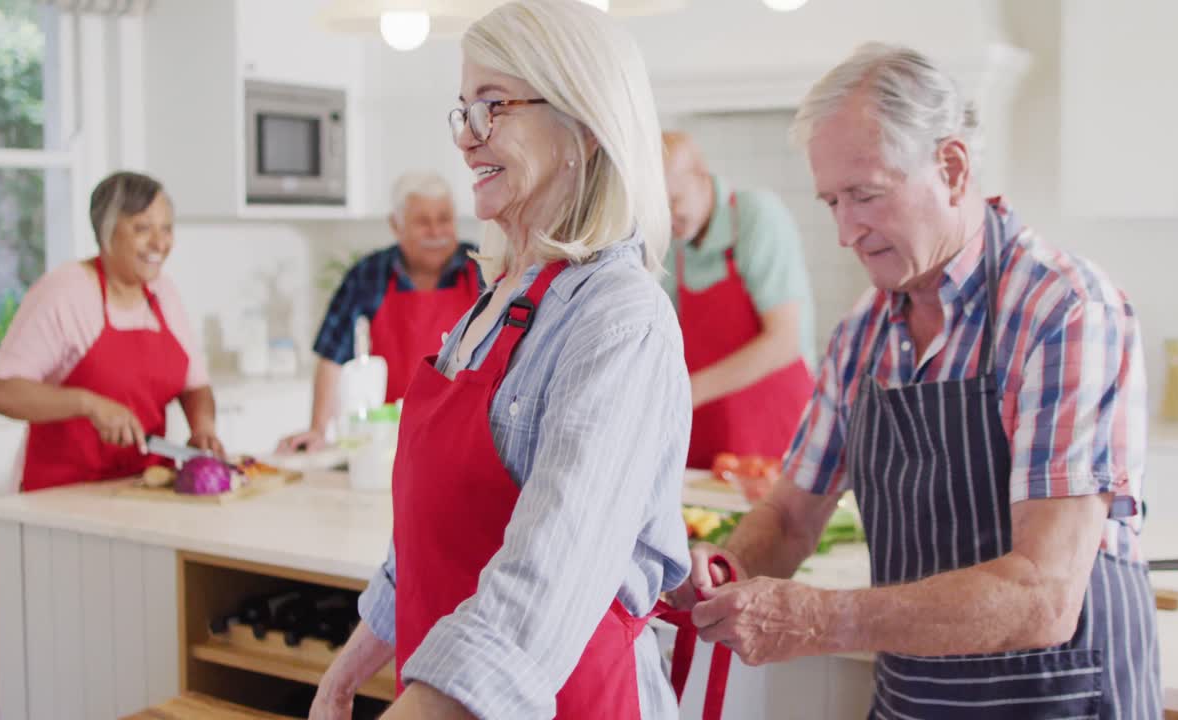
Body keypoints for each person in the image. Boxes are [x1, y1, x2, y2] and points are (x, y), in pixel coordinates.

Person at [675, 43, 1160, 718]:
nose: (845, 230)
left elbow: (1043, 596)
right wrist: (723, 571)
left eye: (865, 195)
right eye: (832, 201)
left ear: (952, 168)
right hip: (917, 701)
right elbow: (788, 517)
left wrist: (821, 618)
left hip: (1062, 700)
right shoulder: (861, 336)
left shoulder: (1064, 311)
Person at [309, 1, 700, 718]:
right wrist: (357, 657)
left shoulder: (621, 317)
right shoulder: (493, 303)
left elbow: (547, 576)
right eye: (463, 110)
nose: (467, 138)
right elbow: (431, 533)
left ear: (584, 125)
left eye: (494, 106)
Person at [0, 171, 224, 491]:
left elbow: (196, 385)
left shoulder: (163, 293)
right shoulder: (66, 291)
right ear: (107, 232)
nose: (160, 243)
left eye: (166, 228)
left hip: (144, 488)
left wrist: (202, 425)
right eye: (142, 228)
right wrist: (88, 404)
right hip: (63, 495)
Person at [276, 172, 481, 453]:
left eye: (444, 220)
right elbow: (332, 355)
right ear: (395, 226)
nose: (436, 232)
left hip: (467, 434)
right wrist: (318, 430)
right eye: (423, 222)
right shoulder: (369, 274)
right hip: (393, 438)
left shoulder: (482, 269)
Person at [661, 131, 817, 468]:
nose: (667, 216)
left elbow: (785, 339)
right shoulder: (673, 245)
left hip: (776, 430)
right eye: (658, 206)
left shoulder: (756, 215)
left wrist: (689, 392)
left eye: (674, 201)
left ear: (701, 175)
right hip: (709, 436)